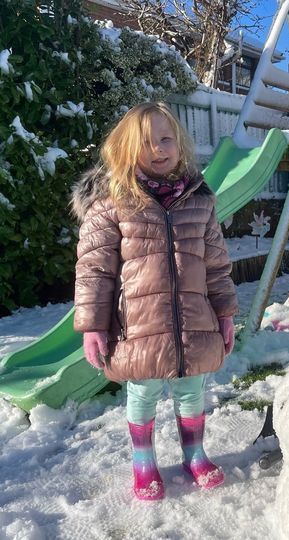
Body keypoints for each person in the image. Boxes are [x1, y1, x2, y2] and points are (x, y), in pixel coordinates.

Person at [71, 102, 238, 501]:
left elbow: (215, 265)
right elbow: (94, 269)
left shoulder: (200, 202)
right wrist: (92, 325)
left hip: (194, 322)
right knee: (143, 394)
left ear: (180, 146)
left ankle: (194, 454)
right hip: (138, 326)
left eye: (167, 139)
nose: (159, 149)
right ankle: (143, 462)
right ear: (126, 149)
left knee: (192, 391)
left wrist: (226, 313)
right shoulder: (111, 204)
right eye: (146, 142)